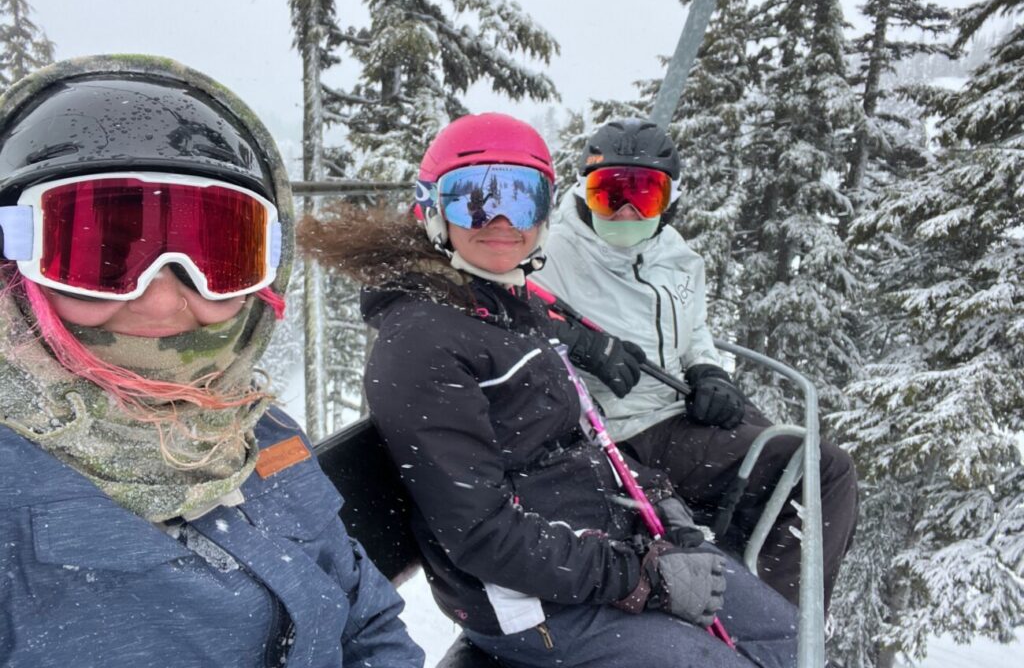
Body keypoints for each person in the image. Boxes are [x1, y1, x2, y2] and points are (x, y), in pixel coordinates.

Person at [299, 112, 799, 668]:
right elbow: (482, 534)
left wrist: (659, 501)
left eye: (523, 198)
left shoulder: (505, 305)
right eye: (473, 200)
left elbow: (583, 439)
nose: (502, 220)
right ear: (432, 208)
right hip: (530, 603)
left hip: (604, 544)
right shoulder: (423, 342)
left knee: (788, 642)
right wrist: (643, 577)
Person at [0, 56, 424, 668]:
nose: (163, 298)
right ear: (14, 262)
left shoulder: (260, 432)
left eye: (217, 255)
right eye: (101, 253)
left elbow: (366, 619)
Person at [531, 117, 859, 611]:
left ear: (670, 201)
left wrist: (708, 370)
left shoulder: (677, 255)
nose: (623, 211)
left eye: (643, 196)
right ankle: (779, 631)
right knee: (820, 470)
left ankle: (767, 602)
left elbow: (694, 331)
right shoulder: (549, 253)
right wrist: (576, 341)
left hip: (676, 406)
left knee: (799, 462)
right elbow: (496, 312)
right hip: (624, 433)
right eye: (608, 195)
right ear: (582, 193)